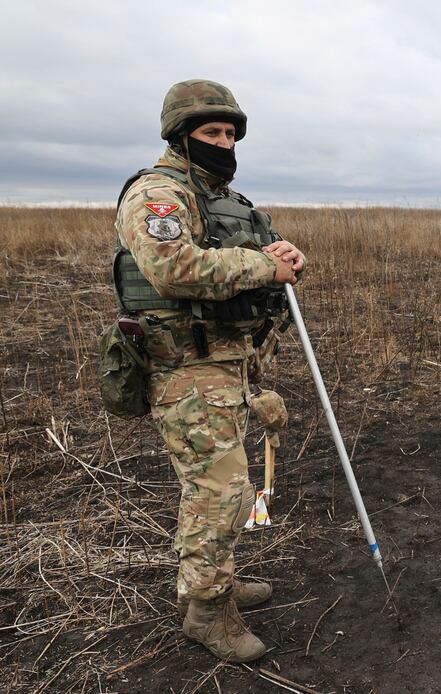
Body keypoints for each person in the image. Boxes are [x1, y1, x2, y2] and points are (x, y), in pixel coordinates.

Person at [112, 79, 305, 662]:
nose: (223, 141)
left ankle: (215, 581)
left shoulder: (223, 198)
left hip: (226, 362)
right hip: (185, 369)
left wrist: (287, 259)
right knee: (220, 492)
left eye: (229, 132)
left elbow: (258, 262)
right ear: (181, 135)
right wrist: (260, 266)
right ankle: (207, 612)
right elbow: (172, 267)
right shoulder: (158, 195)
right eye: (210, 132)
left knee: (222, 487)